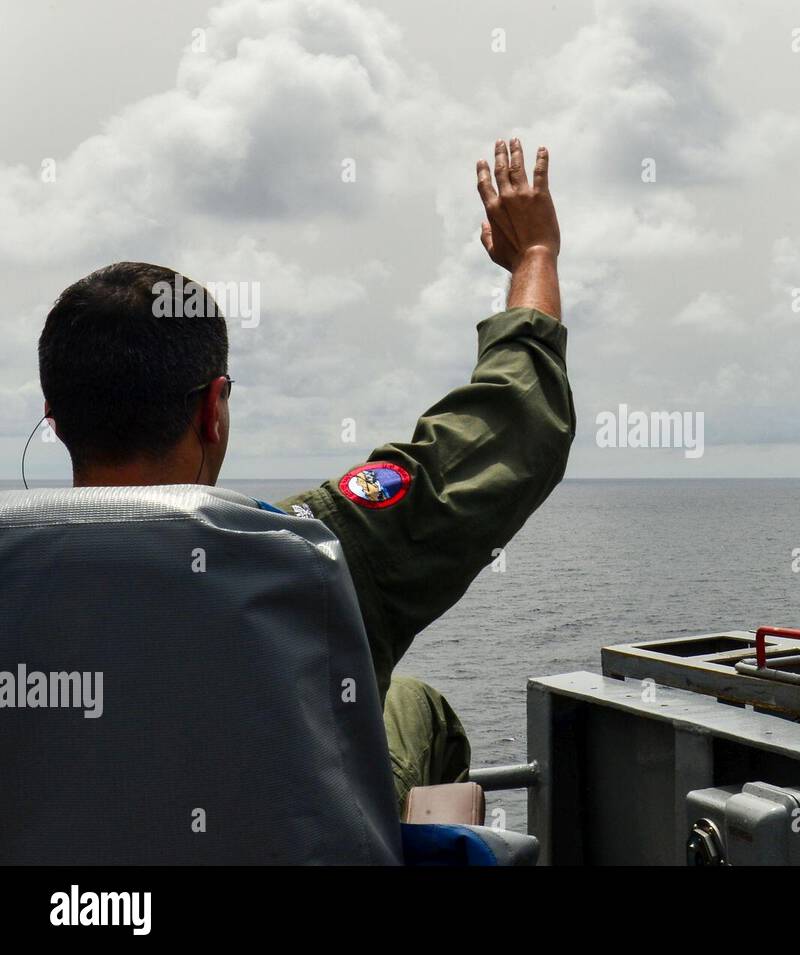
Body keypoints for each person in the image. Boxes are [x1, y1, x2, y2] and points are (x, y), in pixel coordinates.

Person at [34, 138, 573, 811]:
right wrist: (535, 256)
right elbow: (516, 424)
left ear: (55, 418)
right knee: (415, 706)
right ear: (213, 409)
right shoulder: (307, 557)